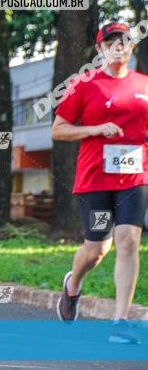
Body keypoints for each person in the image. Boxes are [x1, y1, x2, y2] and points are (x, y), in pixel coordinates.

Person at [52, 23, 148, 344]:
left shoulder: (144, 84)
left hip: (135, 177)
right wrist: (94, 130)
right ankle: (73, 284)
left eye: (123, 41)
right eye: (110, 42)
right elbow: (59, 129)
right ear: (100, 50)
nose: (118, 46)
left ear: (132, 47)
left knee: (129, 242)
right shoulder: (84, 85)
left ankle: (120, 321)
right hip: (95, 180)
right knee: (97, 249)